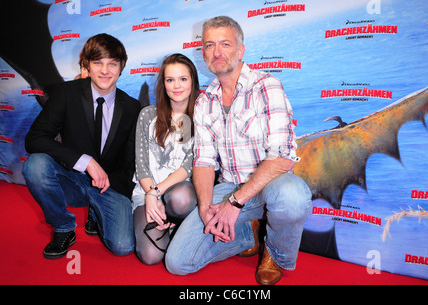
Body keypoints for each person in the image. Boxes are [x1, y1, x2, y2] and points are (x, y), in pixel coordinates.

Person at [165, 16, 312, 285]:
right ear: (203, 53)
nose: (217, 52)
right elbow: (204, 161)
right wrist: (206, 209)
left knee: (292, 195)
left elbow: (281, 157)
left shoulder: (267, 86)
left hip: (270, 185)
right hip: (230, 186)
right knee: (178, 262)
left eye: (225, 44)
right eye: (209, 45)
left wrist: (234, 204)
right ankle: (248, 234)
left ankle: (274, 253)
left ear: (241, 49)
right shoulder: (204, 101)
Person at [22, 33, 141, 259]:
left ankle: (96, 213)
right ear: (87, 64)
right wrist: (86, 162)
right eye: (97, 63)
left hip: (108, 185)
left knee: (123, 247)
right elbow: (35, 138)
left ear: (121, 66)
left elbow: (129, 161)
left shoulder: (133, 107)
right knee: (35, 165)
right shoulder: (66, 94)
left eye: (112, 64)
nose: (105, 71)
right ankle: (64, 227)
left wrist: (126, 197)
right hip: (72, 179)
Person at [132, 54, 199, 265]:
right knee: (151, 257)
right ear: (163, 84)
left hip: (178, 192)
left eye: (183, 79)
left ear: (193, 82)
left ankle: (175, 221)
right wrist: (151, 195)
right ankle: (173, 229)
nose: (176, 86)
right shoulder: (147, 115)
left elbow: (189, 165)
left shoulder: (202, 117)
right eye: (170, 80)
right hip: (146, 194)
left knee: (181, 200)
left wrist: (158, 192)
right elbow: (141, 166)